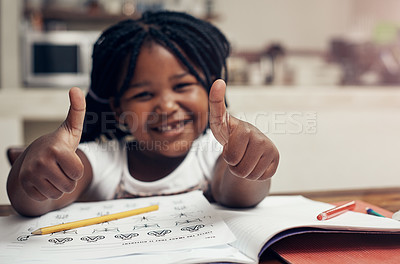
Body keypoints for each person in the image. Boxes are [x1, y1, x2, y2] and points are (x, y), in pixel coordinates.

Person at [7, 11, 279, 217]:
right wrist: (33, 167)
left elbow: (240, 196)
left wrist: (249, 165)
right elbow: (33, 203)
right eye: (143, 94)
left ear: (210, 90)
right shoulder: (101, 161)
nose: (167, 107)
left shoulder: (212, 154)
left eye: (182, 86)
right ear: (119, 109)